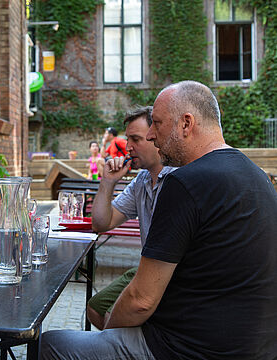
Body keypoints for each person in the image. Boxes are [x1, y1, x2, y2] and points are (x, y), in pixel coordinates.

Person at [41, 80, 277, 359]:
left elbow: (141, 301)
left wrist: (110, 333)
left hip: (185, 348)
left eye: (158, 124)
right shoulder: (258, 177)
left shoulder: (185, 181)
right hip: (255, 347)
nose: (152, 134)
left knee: (49, 344)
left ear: (186, 124)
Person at [87, 106, 176, 330]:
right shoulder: (142, 180)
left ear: (155, 136)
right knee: (95, 308)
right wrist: (108, 182)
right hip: (144, 269)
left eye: (136, 139)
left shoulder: (177, 179)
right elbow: (100, 223)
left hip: (173, 274)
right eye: (128, 139)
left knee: (113, 322)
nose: (128, 148)